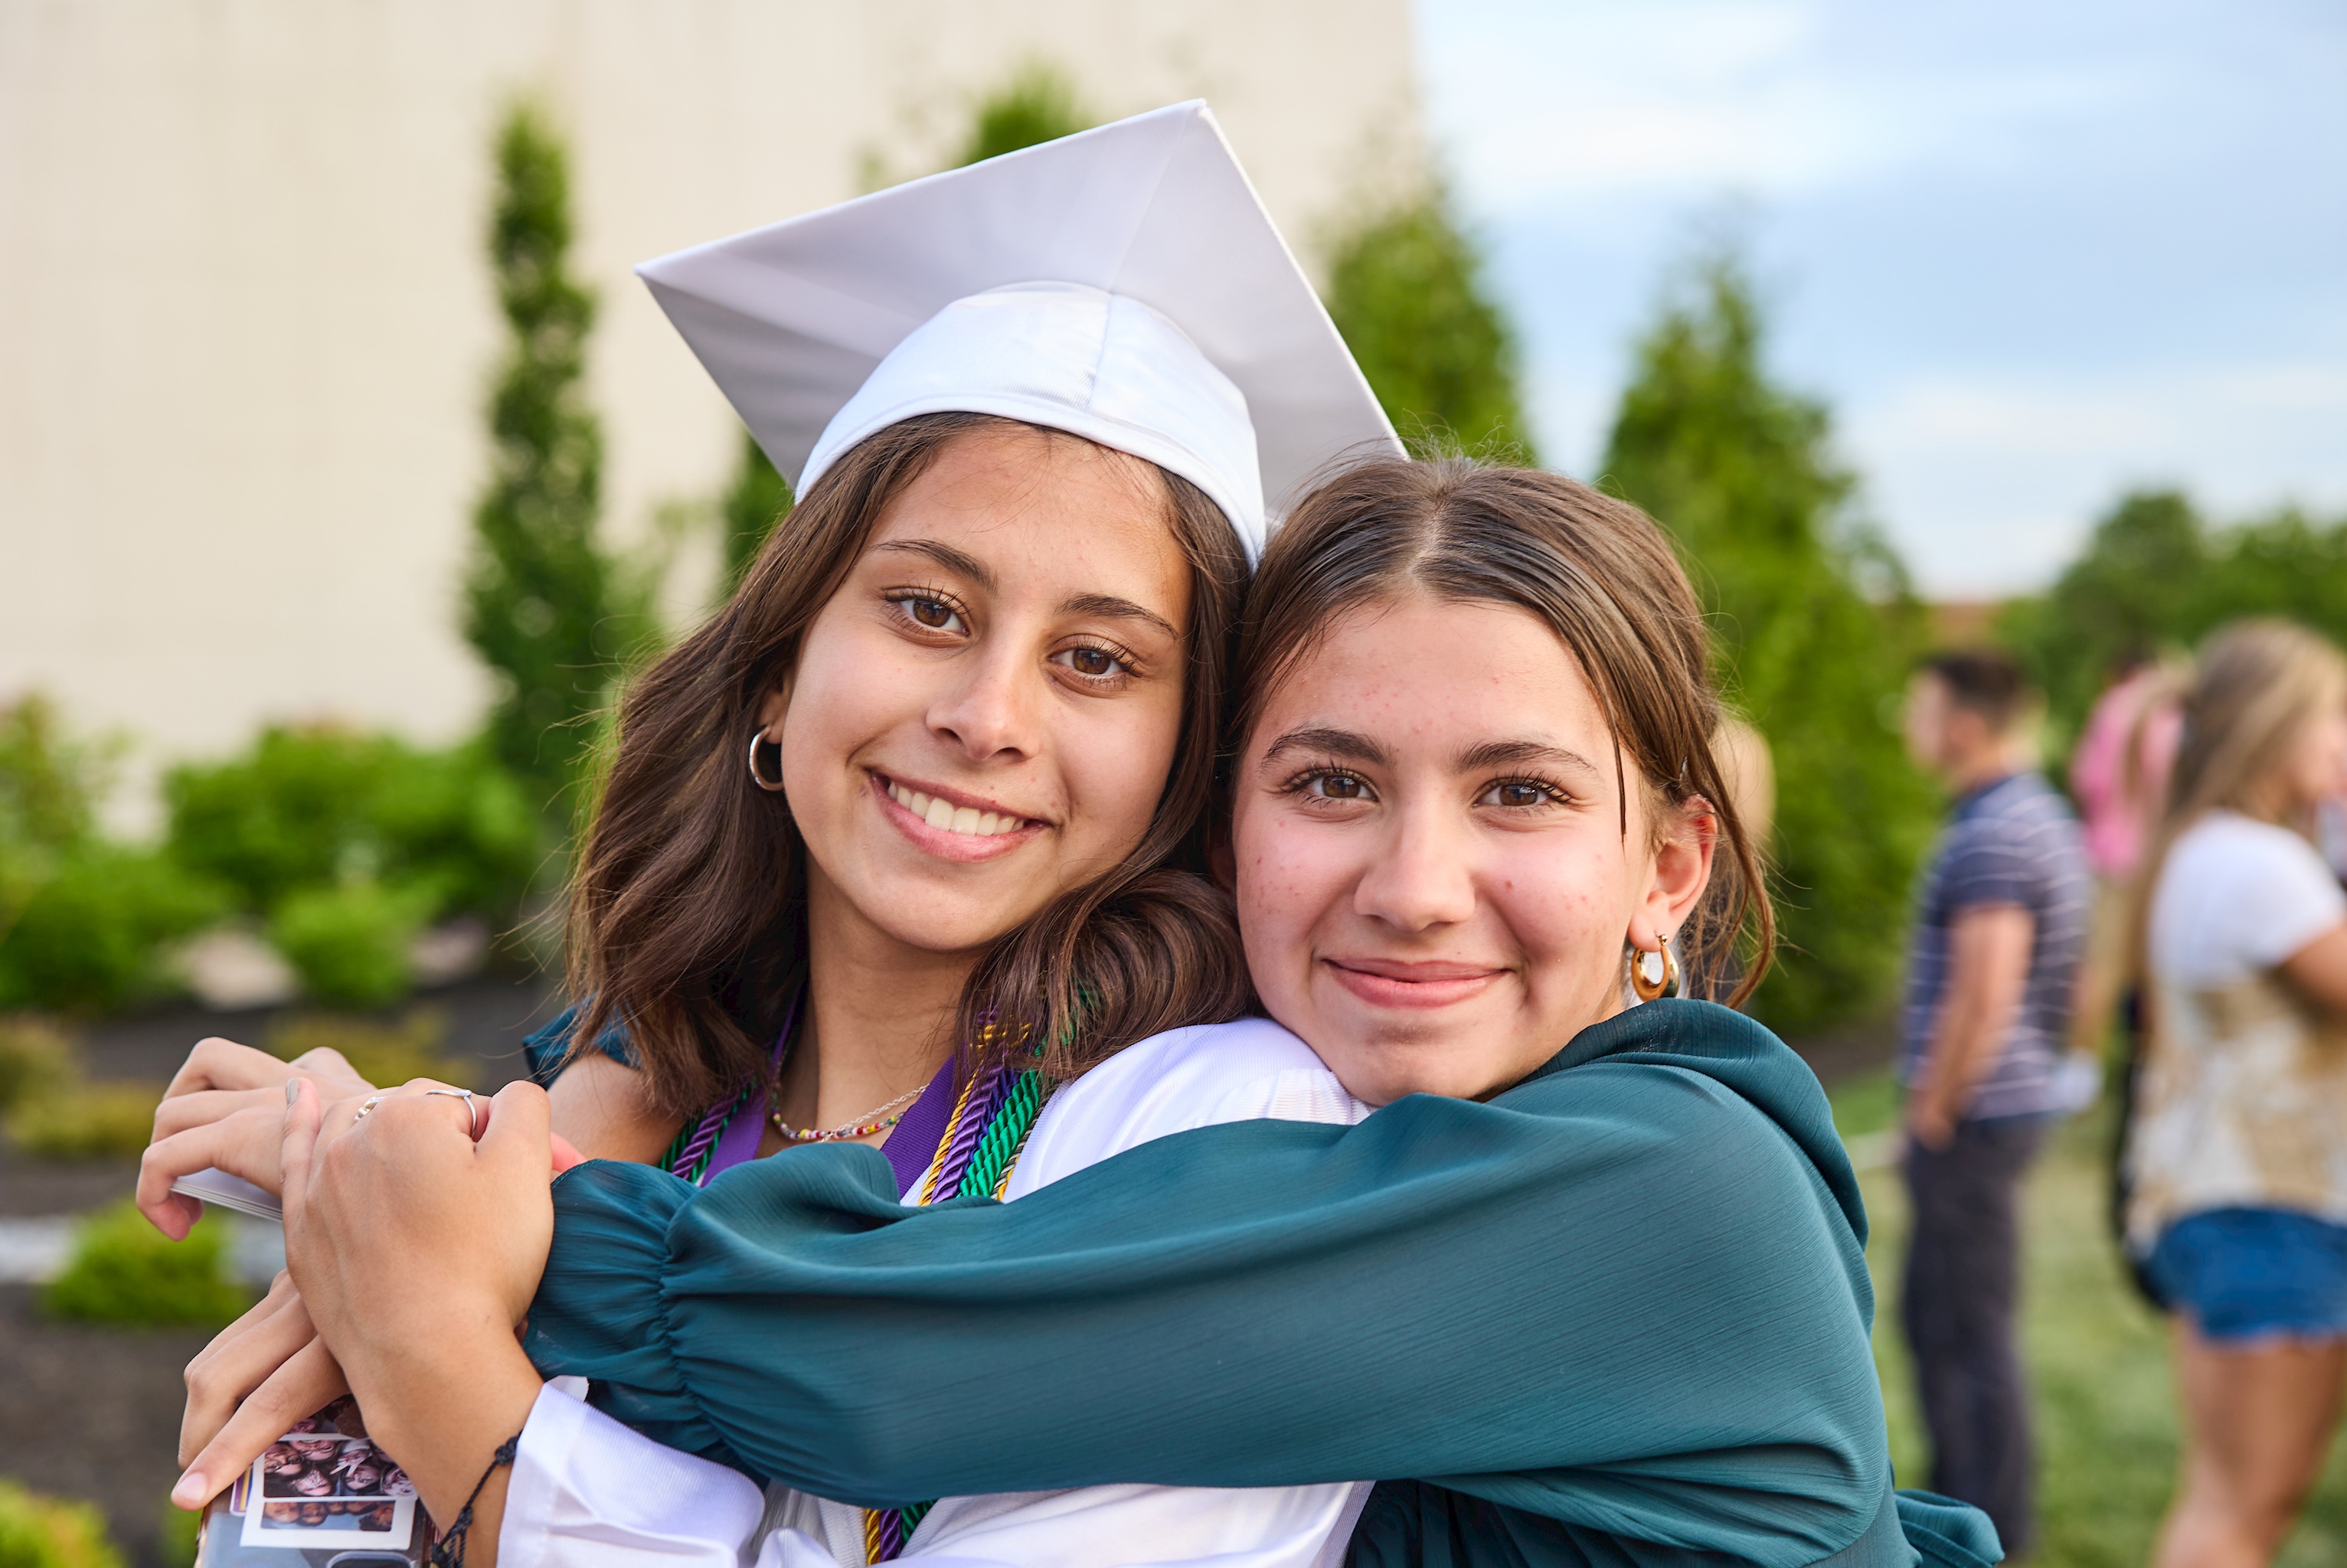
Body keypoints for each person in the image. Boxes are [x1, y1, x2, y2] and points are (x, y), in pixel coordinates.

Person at [256, 458, 1998, 1566]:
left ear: (1674, 866)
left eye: (1521, 794)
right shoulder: (1338, 1128)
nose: (1413, 881)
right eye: (1330, 781)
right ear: (1223, 810)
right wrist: (574, 1087)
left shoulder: (1672, 1185)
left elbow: (863, 1345)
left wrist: (413, 1218)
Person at [146, 100, 1404, 1563]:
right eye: (926, 608)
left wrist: (434, 1346)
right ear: (778, 661)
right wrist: (357, 1197)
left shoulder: (1217, 1139)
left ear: (1187, 755)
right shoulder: (625, 1104)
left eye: (1096, 659)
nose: (987, 714)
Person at [2123, 621, 2347, 1568]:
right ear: (2271, 725)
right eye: (2331, 713)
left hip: (2221, 1205)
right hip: (2269, 1212)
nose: (2345, 737)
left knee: (2223, 1501)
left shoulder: (2209, 849)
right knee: (2244, 1513)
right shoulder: (2259, 866)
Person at [1898, 648, 2090, 1556]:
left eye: (1919, 708)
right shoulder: (2034, 813)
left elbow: (1985, 988)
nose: (1909, 725)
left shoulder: (1995, 832)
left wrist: (1932, 1107)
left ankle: (1981, 1532)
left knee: (1963, 1330)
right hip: (1999, 1106)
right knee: (1944, 1317)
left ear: (1963, 724)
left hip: (1972, 1117)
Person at [2068, 649, 2185, 1061]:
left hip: (2111, 854)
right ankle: (2152, 1058)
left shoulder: (2111, 709)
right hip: (2158, 857)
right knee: (2159, 968)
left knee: (2102, 964)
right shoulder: (2171, 714)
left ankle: (2083, 1063)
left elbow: (2086, 780)